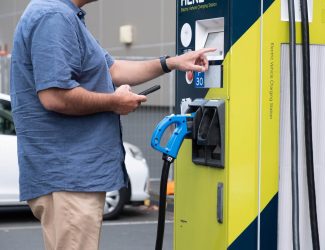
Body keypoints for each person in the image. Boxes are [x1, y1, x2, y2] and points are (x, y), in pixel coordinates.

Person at [10, 0, 213, 249]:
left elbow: (113, 70)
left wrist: (171, 63)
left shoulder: (65, 16)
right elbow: (54, 96)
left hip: (72, 176)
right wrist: (114, 102)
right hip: (69, 176)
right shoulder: (53, 16)